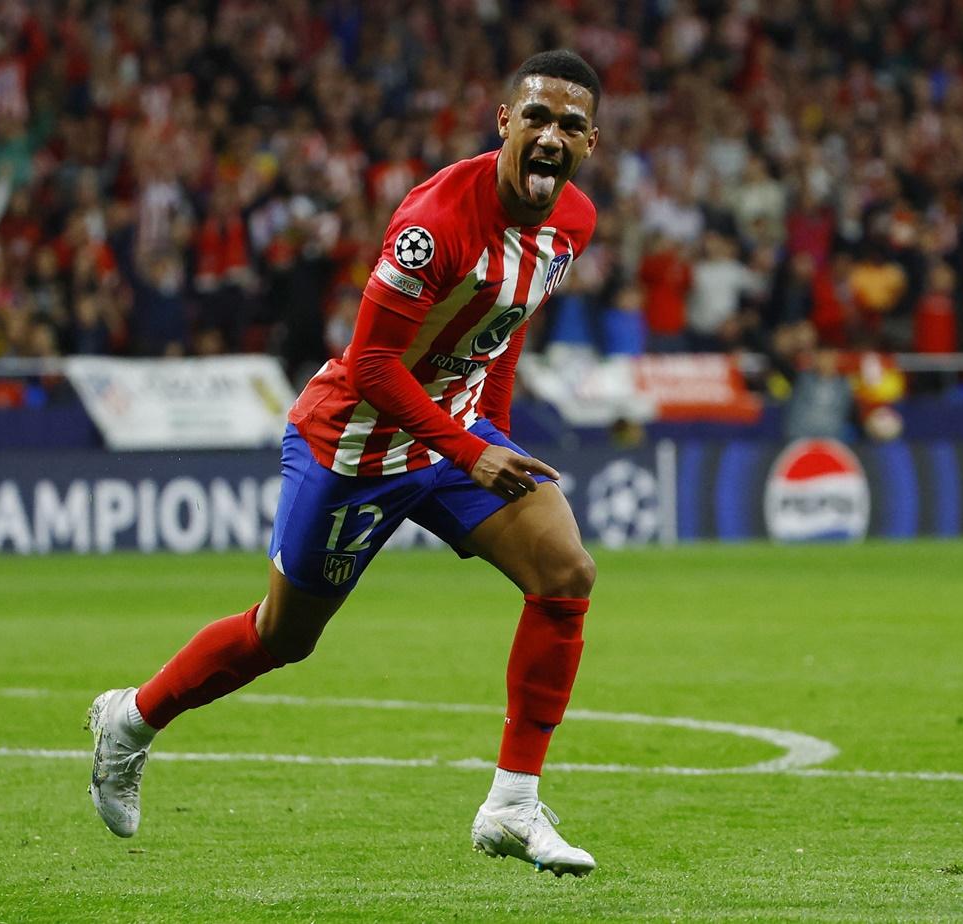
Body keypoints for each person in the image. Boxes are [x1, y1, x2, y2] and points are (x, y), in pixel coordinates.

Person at [86, 50, 602, 878]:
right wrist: (472, 451)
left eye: (570, 125)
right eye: (535, 117)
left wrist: (492, 431)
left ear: (591, 143)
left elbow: (501, 325)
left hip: (450, 438)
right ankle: (131, 720)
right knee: (283, 636)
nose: (550, 136)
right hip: (354, 447)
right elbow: (368, 364)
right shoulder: (435, 220)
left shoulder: (573, 222)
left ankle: (511, 803)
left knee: (566, 571)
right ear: (504, 122)